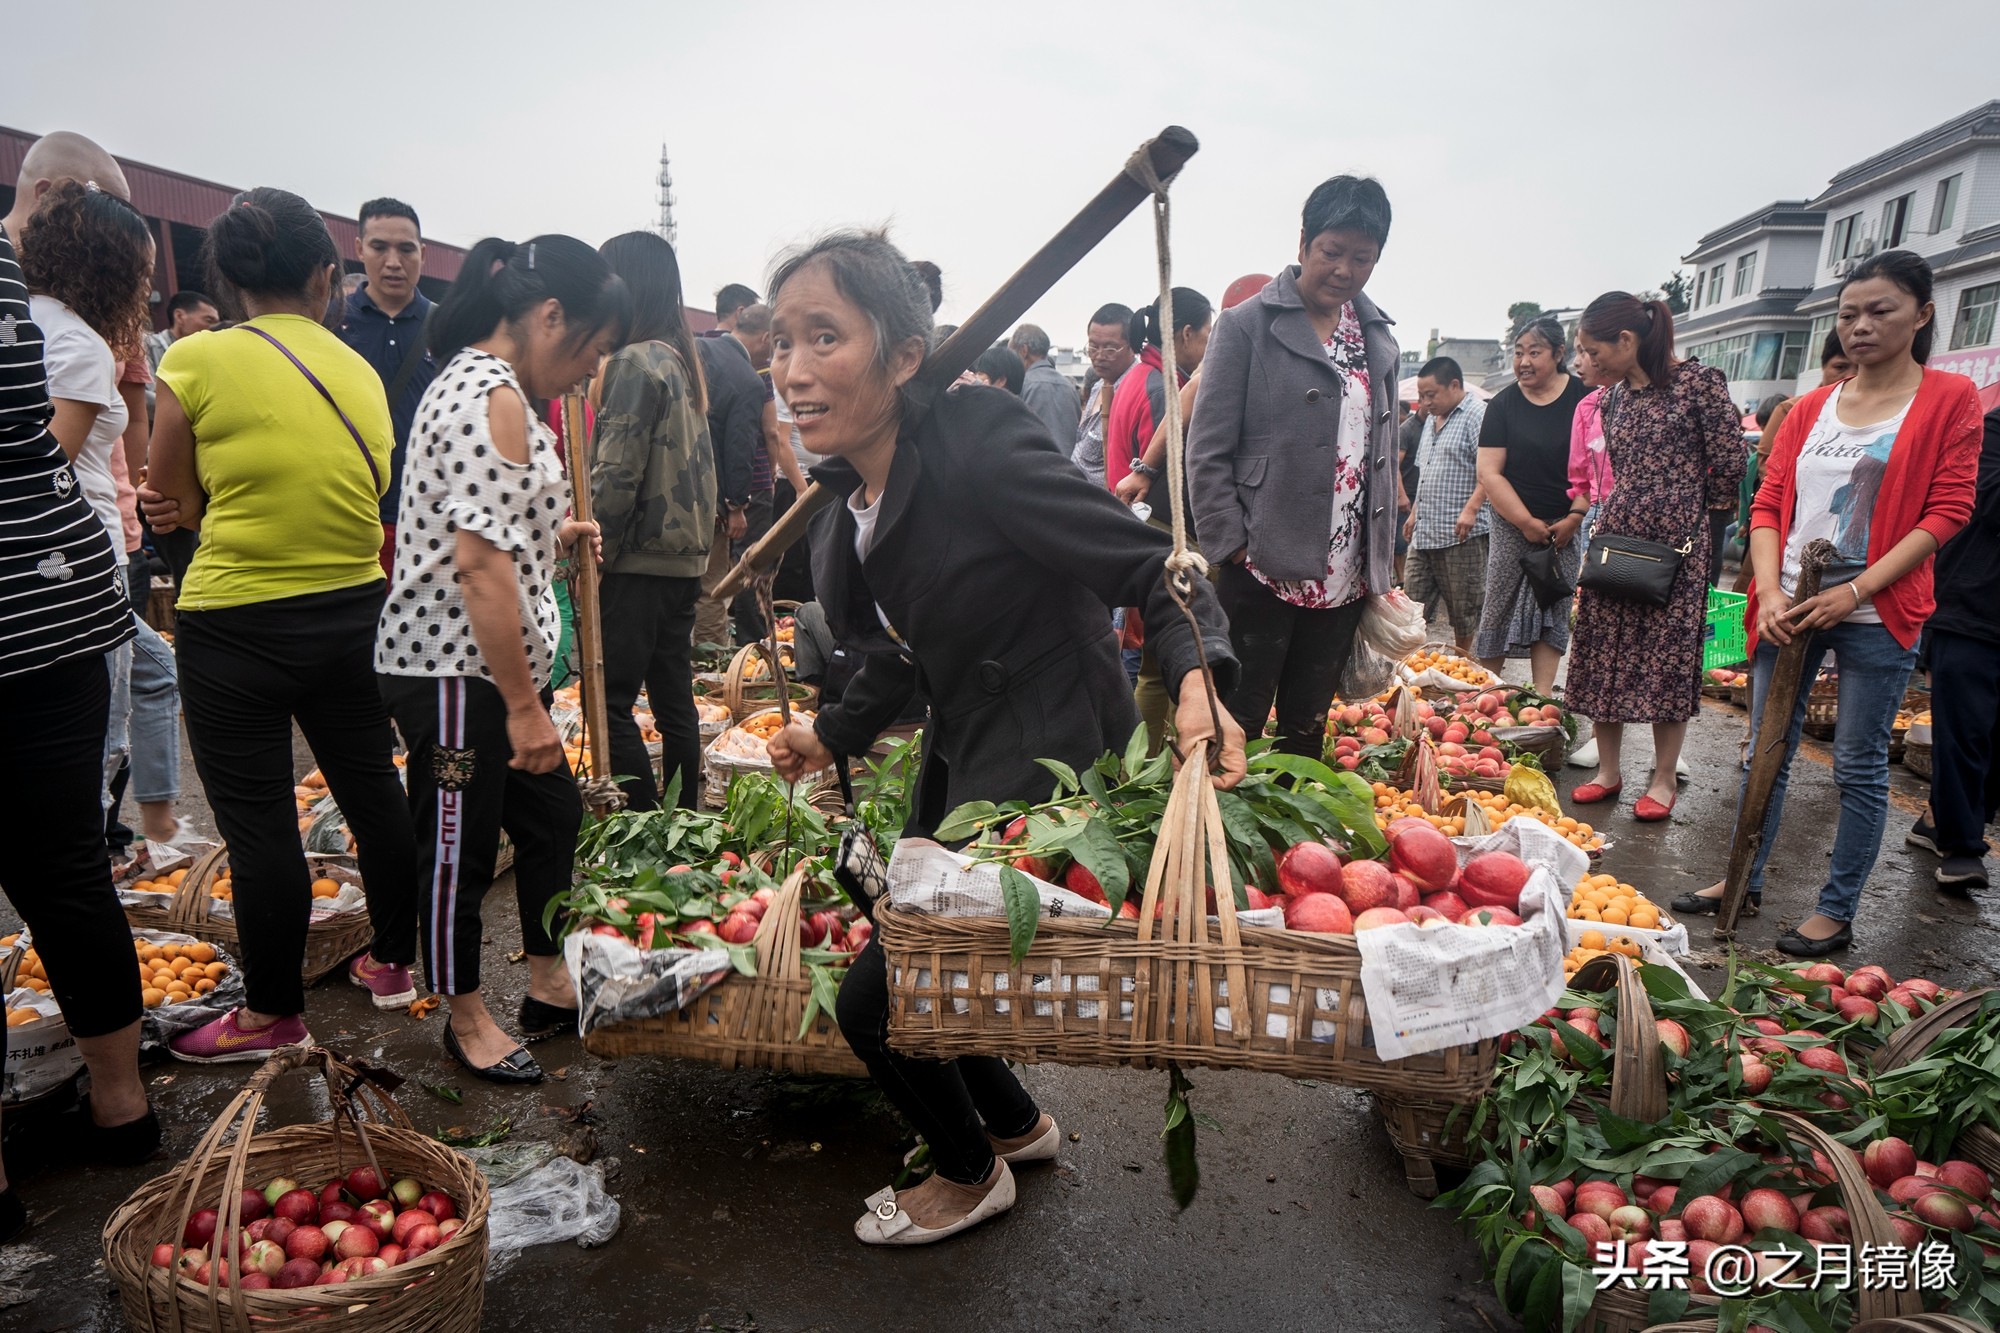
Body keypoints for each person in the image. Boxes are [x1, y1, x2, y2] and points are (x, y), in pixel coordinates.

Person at [761, 230, 1242, 1245]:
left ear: (900, 355)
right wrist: (826, 731)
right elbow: (899, 647)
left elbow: (1151, 567)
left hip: (1047, 753)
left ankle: (967, 1170)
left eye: (822, 338)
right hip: (961, 745)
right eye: (779, 343)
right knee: (899, 923)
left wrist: (1198, 676)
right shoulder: (845, 498)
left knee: (877, 999)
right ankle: (1014, 1123)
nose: (792, 371)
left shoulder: (976, 435)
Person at [139, 188, 422, 1059]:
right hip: (351, 615)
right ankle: (393, 966)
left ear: (227, 282)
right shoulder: (360, 372)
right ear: (327, 277)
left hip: (236, 628)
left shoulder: (192, 362)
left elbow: (173, 502)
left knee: (261, 825)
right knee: (377, 795)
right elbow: (370, 490)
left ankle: (270, 1012)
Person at [1672, 250, 1981, 955]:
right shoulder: (1811, 406)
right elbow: (1769, 503)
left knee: (1860, 766)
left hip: (1878, 611)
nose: (1861, 327)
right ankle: (1740, 876)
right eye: (1849, 315)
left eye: (1881, 311)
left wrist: (1857, 590)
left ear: (1922, 314)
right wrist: (1772, 590)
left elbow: (1947, 511)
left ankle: (1836, 908)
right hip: (1789, 605)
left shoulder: (1948, 400)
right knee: (1765, 751)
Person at [377, 234, 628, 1079]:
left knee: (553, 814)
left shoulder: (486, 388)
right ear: (551, 315)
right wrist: (523, 707)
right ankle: (466, 1013)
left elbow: (488, 524)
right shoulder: (493, 396)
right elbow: (478, 563)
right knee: (457, 842)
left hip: (487, 666)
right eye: (592, 348)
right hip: (455, 673)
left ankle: (549, 979)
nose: (591, 369)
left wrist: (554, 532)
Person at [0, 154, 159, 1245]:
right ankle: (123, 1105)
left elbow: (75, 455)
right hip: (56, 609)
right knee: (64, 867)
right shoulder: (54, 329)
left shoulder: (48, 323)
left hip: (49, 604)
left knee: (63, 861)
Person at [1189, 176, 1401, 757]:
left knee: (1307, 723)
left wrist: (1382, 551)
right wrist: (1231, 544)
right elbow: (1205, 449)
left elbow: (1380, 445)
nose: (1345, 270)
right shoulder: (1247, 325)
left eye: (1363, 258)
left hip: (1345, 566)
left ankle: (1296, 841)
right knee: (1238, 718)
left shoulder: (1377, 336)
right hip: (1262, 560)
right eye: (1333, 252)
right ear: (1305, 241)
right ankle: (1226, 837)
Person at [1564, 294, 1744, 821]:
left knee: (1669, 658)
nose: (1588, 362)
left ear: (1627, 341)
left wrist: (1691, 514)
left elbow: (1731, 462)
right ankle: (1609, 772)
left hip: (1679, 542)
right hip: (1619, 532)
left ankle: (1663, 779)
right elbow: (1619, 464)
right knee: (1603, 648)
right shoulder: (1613, 398)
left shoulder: (1699, 383)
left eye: (1592, 351)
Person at [591, 231, 715, 813]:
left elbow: (615, 473)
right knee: (674, 704)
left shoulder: (634, 361)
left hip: (639, 558)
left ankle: (645, 828)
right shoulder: (680, 358)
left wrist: (594, 551)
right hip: (683, 560)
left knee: (609, 704)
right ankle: (685, 818)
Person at [1109, 288, 1212, 750]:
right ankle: (1162, 764)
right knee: (1173, 661)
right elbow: (1168, 475)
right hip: (1163, 533)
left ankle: (1145, 765)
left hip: (1138, 530)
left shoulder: (1139, 376)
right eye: (1207, 333)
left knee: (1153, 663)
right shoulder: (1160, 385)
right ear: (1187, 333)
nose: (1210, 343)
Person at [1471, 316, 1592, 691]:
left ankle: (1542, 699)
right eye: (1518, 352)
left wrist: (1575, 515)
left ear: (1558, 353)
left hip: (1565, 525)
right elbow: (1490, 473)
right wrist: (1524, 521)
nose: (1523, 361)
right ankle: (1486, 691)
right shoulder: (1503, 404)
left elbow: (1597, 467)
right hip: (1512, 523)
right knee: (1498, 604)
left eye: (1534, 352)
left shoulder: (1584, 400)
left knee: (1553, 603)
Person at [1910, 396, 2000, 890]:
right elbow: (1988, 503)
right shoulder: (1992, 431)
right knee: (1965, 732)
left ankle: (1938, 820)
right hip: (1970, 609)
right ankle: (1962, 847)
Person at [337, 197, 437, 573]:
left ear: (423, 253)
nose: (394, 262)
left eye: (406, 249)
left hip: (430, 515)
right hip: (352, 514)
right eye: (380, 247)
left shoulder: (448, 328)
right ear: (359, 248)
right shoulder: (331, 323)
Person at [1733, 332, 1856, 593]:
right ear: (1822, 367)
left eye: (1857, 368)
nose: (1849, 375)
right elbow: (1767, 472)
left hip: (1849, 564)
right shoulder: (1793, 410)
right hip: (1784, 531)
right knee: (1755, 599)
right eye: (1840, 367)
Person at [1402, 357, 1489, 651]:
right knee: (1412, 607)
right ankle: (1411, 666)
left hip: (1460, 534)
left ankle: (1465, 666)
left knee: (1464, 610)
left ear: (1454, 385)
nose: (1425, 402)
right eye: (1422, 396)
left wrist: (1472, 508)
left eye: (1431, 395)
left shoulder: (1478, 414)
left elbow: (1492, 471)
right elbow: (1424, 471)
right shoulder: (1431, 420)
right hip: (1425, 533)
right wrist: (1414, 513)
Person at [693, 310, 764, 647]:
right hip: (712, 496)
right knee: (712, 588)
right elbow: (740, 448)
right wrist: (737, 504)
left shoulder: (698, 349)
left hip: (672, 487)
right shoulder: (748, 378)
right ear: (765, 339)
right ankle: (708, 669)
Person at [1071, 302, 1135, 486]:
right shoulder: (1098, 385)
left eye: (1110, 349)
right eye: (1093, 347)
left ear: (1132, 346)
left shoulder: (1135, 392)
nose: (1099, 356)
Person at [1011, 323, 1081, 446]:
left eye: (1012, 353)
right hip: (1068, 463)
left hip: (1037, 462)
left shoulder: (1023, 384)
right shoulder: (1069, 386)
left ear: (1024, 351)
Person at [1395, 399, 1424, 585]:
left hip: (1424, 494)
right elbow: (1394, 465)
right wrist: (1401, 495)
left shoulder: (1434, 426)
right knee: (1400, 542)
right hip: (1408, 493)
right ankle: (1401, 581)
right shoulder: (1407, 429)